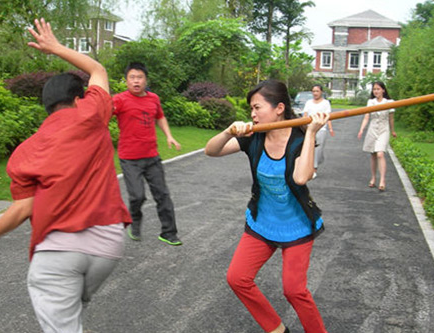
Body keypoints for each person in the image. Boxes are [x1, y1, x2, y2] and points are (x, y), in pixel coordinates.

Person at [0, 18, 132, 333]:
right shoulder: (92, 114)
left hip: (56, 257)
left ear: (47, 107)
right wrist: (56, 47)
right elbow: (98, 71)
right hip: (108, 246)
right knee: (72, 316)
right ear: (79, 98)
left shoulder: (25, 152)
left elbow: (24, 208)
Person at [205, 80, 328, 333]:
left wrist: (313, 132)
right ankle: (277, 330)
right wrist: (229, 132)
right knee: (237, 278)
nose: (252, 114)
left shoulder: (299, 138)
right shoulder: (254, 138)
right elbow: (211, 151)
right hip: (262, 222)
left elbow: (301, 177)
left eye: (257, 107)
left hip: (296, 225)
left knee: (294, 291)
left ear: (279, 108)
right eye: (251, 108)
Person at [112, 62, 182, 246]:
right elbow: (103, 114)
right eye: (132, 77)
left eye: (140, 77)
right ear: (126, 80)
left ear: (145, 79)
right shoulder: (119, 100)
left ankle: (169, 232)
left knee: (163, 195)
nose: (136, 81)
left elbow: (160, 116)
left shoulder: (154, 99)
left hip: (152, 157)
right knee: (137, 196)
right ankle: (135, 219)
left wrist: (169, 136)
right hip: (129, 159)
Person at [357, 81, 397, 192]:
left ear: (383, 90)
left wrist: (393, 131)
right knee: (373, 154)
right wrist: (361, 129)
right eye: (374, 89)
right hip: (372, 128)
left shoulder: (389, 102)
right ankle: (373, 178)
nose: (376, 91)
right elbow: (366, 117)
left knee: (380, 153)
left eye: (378, 89)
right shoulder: (371, 102)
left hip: (384, 129)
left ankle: (382, 180)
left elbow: (391, 118)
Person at [303, 84, 334, 179]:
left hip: (321, 128)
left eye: (317, 91)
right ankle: (309, 169)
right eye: (313, 91)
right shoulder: (308, 102)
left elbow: (328, 117)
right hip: (309, 128)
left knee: (318, 150)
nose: (315, 93)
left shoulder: (325, 103)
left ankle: (315, 168)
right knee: (308, 147)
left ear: (321, 92)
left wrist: (330, 128)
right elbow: (305, 115)